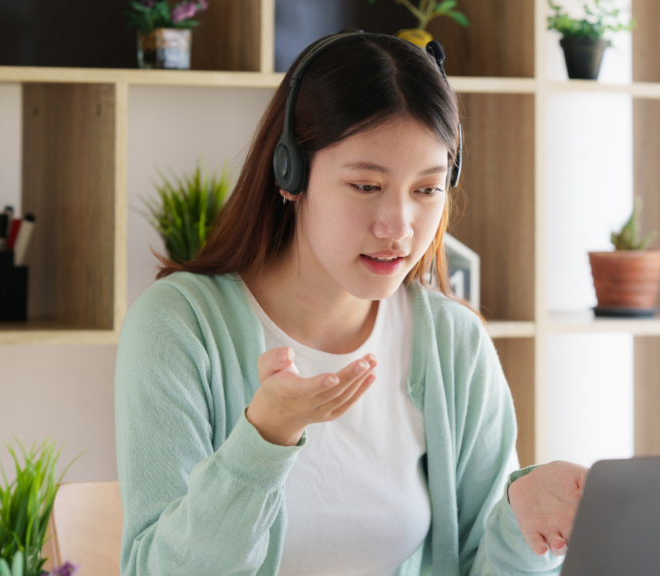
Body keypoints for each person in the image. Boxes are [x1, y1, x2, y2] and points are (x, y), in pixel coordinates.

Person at [114, 30, 588, 576]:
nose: (399, 227)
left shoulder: (453, 342)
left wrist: (521, 531)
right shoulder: (178, 326)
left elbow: (482, 564)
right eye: (366, 186)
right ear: (289, 174)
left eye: (427, 189)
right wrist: (264, 438)